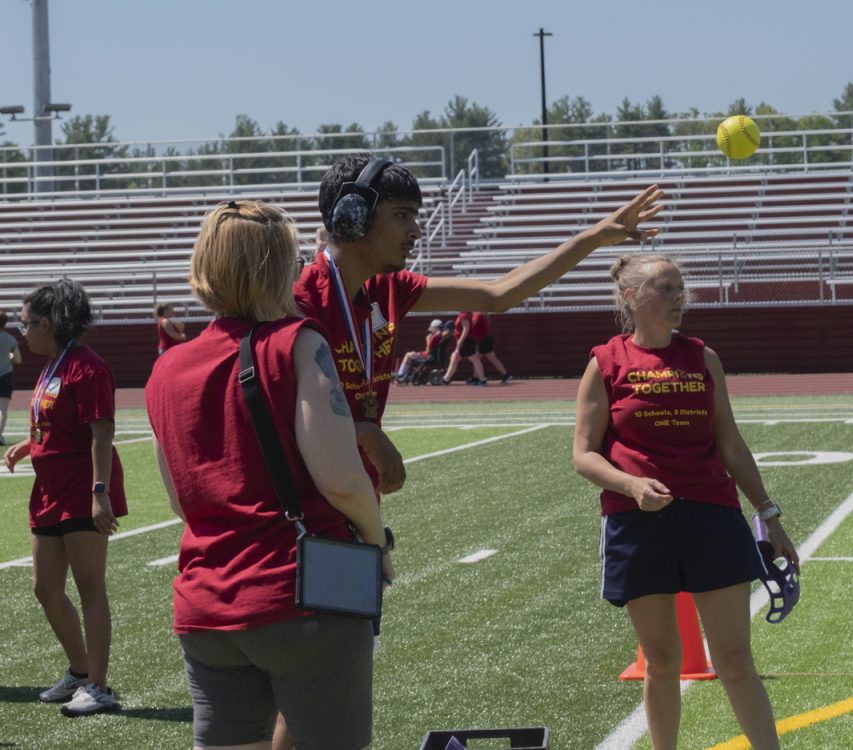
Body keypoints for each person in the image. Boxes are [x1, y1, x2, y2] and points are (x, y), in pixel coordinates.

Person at [280, 153, 662, 749]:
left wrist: (595, 236)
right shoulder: (300, 296)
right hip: (305, 517)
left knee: (326, 691)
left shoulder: (384, 288)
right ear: (353, 217)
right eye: (403, 215)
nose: (416, 229)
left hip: (353, 515)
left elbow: (499, 292)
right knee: (312, 695)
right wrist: (361, 429)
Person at [146, 200, 395, 750]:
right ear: (278, 265)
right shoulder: (298, 342)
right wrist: (377, 545)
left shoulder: (165, 367)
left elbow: (178, 501)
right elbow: (342, 480)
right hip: (303, 591)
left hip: (205, 604)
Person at [573, 254, 798, 750]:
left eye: (681, 288)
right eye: (666, 288)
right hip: (637, 523)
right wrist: (632, 486)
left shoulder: (702, 356)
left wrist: (769, 513)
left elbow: (732, 445)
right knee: (661, 662)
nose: (680, 298)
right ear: (632, 298)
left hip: (713, 518)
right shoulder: (605, 361)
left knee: (736, 661)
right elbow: (584, 456)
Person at [3, 279, 126, 716]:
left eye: (26, 324)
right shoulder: (54, 364)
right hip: (50, 489)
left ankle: (99, 685)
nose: (22, 332)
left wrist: (99, 492)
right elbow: (57, 422)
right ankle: (78, 671)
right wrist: (28, 444)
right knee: (45, 588)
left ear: (51, 322)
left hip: (81, 488)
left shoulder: (87, 367)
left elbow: (102, 432)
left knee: (90, 587)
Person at [441, 311, 486, 385]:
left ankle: (482, 379)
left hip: (466, 341)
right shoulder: (464, 314)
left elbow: (466, 329)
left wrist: (460, 341)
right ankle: (446, 379)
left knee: (473, 359)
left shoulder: (464, 315)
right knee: (455, 357)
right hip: (467, 340)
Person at [467, 311, 512, 384]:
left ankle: (505, 375)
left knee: (479, 359)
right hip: (485, 339)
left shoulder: (477, 314)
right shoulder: (479, 314)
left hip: (484, 340)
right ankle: (475, 377)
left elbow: (472, 325)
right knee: (478, 359)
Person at [394, 319, 442, 384]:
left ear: (435, 328)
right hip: (428, 354)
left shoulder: (434, 337)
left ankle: (401, 374)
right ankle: (403, 374)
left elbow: (429, 349)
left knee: (408, 355)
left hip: (427, 355)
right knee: (410, 354)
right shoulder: (438, 336)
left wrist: (427, 339)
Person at [0, 310, 22, 445]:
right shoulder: (10, 339)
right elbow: (17, 360)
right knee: (2, 409)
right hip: (5, 376)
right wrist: (9, 356)